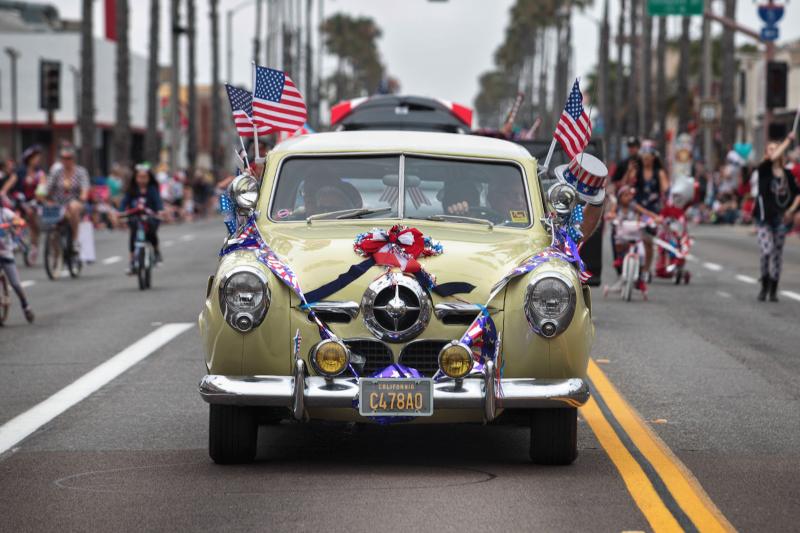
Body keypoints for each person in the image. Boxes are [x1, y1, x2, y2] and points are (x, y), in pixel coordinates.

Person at [754, 131, 800, 301]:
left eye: (776, 149)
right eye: (770, 149)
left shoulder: (787, 175)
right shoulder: (764, 170)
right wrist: (788, 140)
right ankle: (764, 282)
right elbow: (773, 159)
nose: (774, 152)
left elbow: (797, 194)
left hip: (780, 218)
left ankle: (773, 287)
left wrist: (791, 210)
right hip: (764, 218)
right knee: (767, 250)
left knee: (777, 253)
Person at [120, 163, 165, 273]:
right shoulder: (132, 190)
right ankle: (131, 261)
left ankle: (156, 251)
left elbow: (158, 203)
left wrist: (160, 211)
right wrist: (120, 212)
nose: (142, 180)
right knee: (133, 235)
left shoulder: (152, 190)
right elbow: (124, 203)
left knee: (152, 233)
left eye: (145, 177)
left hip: (150, 217)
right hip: (135, 218)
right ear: (135, 178)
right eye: (139, 177)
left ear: (149, 178)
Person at [44, 145, 90, 252]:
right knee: (49, 212)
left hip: (76, 202)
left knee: (73, 207)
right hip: (58, 203)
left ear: (73, 159)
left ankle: (75, 240)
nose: (66, 161)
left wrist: (83, 196)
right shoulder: (56, 172)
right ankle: (55, 251)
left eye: (68, 158)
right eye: (63, 158)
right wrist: (44, 196)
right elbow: (48, 187)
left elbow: (85, 188)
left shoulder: (81, 172)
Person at [0, 205, 34, 323]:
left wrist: (15, 223)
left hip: (4, 253)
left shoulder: (4, 212)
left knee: (15, 284)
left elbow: (17, 219)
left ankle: (25, 305)